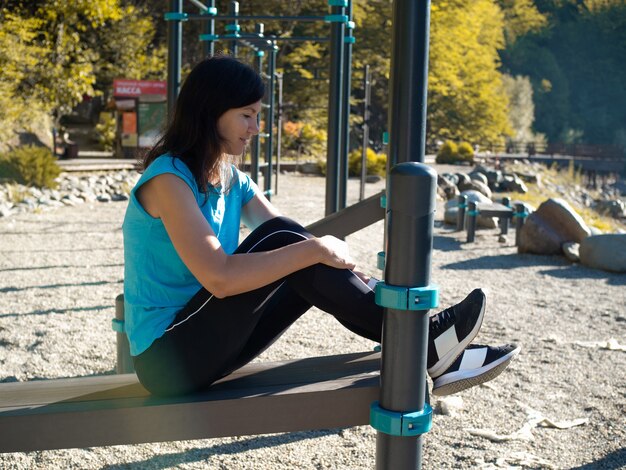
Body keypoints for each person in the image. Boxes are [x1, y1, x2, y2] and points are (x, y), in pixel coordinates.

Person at [122, 55, 519, 398]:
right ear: (210, 112)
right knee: (296, 247)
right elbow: (220, 278)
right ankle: (429, 341)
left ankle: (429, 348)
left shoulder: (229, 176)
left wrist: (328, 260)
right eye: (247, 115)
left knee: (298, 249)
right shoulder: (169, 180)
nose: (255, 128)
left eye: (258, 116)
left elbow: (286, 233)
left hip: (204, 343)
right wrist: (315, 250)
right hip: (166, 359)